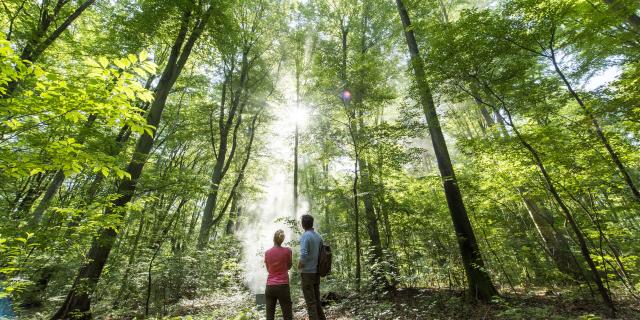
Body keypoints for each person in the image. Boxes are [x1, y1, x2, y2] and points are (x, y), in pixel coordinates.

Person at [298, 214, 326, 320]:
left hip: (307, 273)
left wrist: (299, 267)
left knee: (311, 303)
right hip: (316, 272)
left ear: (303, 224)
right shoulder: (318, 236)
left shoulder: (306, 236)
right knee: (316, 301)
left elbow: (304, 254)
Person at [264, 229, 293, 320]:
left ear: (274, 239)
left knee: (270, 315)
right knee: (287, 314)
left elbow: (268, 269)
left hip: (270, 286)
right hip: (283, 286)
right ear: (282, 240)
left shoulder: (267, 253)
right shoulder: (287, 251)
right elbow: (289, 266)